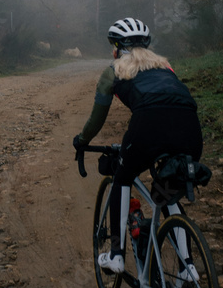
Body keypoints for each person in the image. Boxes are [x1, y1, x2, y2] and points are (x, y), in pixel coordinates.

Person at [73, 17, 203, 274]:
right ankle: (188, 268)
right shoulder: (166, 67)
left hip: (148, 126)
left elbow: (97, 119)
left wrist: (82, 140)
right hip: (190, 129)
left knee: (122, 177)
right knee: (166, 192)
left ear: (116, 48)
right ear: (147, 46)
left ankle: (117, 255)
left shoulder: (113, 70)